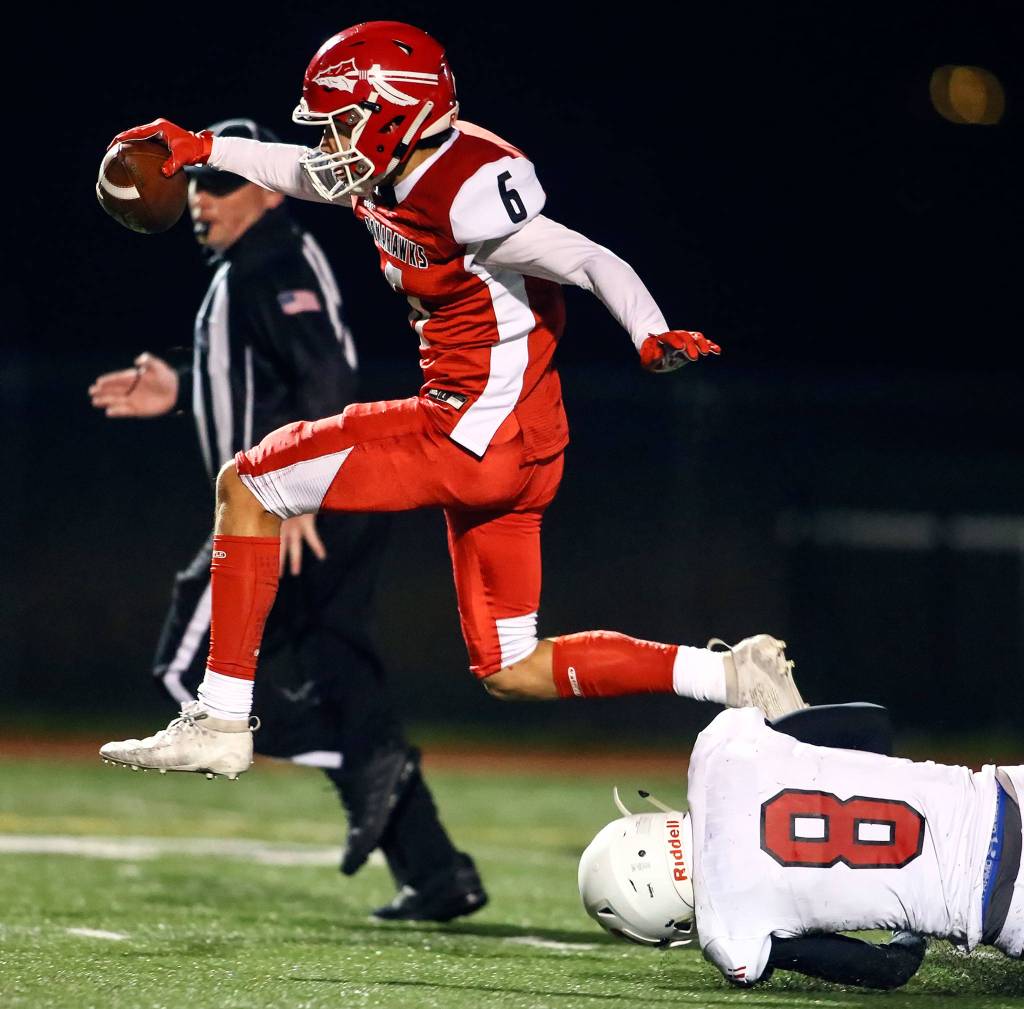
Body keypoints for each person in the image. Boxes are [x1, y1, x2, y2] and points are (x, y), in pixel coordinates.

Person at [99, 21, 807, 781]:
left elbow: (586, 257)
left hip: (466, 429)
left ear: (391, 110)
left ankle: (221, 717)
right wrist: (205, 148)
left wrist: (650, 330)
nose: (335, 139)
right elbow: (302, 170)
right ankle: (736, 678)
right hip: (526, 438)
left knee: (249, 483)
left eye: (343, 119)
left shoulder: (468, 192)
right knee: (511, 664)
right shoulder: (388, 162)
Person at [89, 118, 486, 922]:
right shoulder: (251, 265)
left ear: (268, 189)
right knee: (338, 665)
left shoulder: (272, 258)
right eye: (196, 185)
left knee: (186, 660)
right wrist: (180, 387)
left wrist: (304, 489)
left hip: (297, 506)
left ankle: (363, 761)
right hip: (297, 499)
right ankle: (435, 870)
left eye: (219, 184)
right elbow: (261, 376)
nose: (201, 200)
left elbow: (324, 373)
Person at [579, 704, 1023, 989]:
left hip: (1003, 910)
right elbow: (872, 723)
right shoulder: (719, 751)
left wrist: (910, 924)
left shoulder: (732, 938)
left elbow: (889, 969)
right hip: (1005, 792)